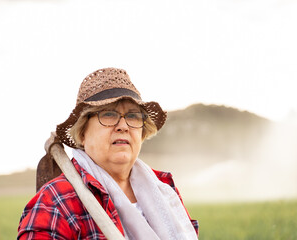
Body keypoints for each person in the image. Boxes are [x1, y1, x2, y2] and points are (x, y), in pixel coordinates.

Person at [17, 68, 199, 239]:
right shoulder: (55, 202)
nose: (123, 126)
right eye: (108, 114)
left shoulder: (165, 189)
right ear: (82, 133)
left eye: (133, 116)